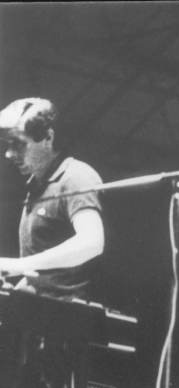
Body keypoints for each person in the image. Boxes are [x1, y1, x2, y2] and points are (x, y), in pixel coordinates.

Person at [0, 97, 104, 300]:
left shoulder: (76, 177)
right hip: (43, 309)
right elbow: (47, 274)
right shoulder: (37, 185)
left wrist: (19, 265)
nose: (9, 154)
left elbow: (92, 242)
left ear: (48, 138)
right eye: (8, 145)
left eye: (19, 144)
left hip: (70, 313)